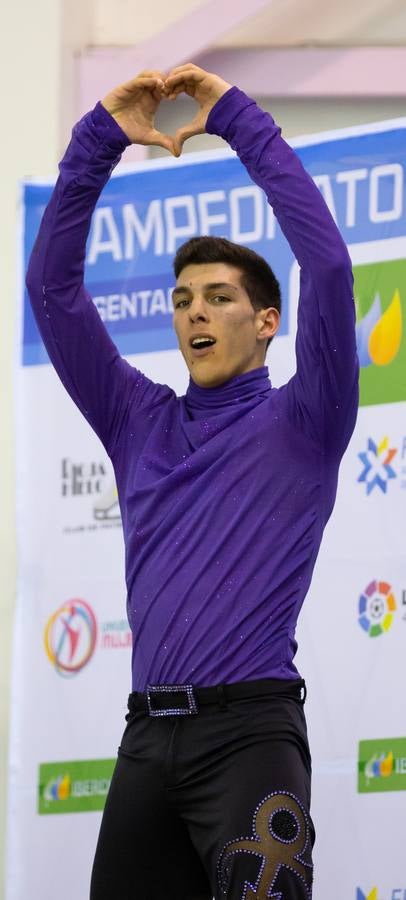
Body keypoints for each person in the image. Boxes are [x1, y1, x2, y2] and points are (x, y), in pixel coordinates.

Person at [26, 63, 359, 900]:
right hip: (145, 742)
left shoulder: (305, 419)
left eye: (217, 297)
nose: (194, 312)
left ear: (267, 322)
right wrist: (99, 139)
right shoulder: (138, 419)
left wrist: (236, 119)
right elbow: (51, 289)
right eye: (181, 299)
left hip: (250, 737)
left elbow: (328, 269)